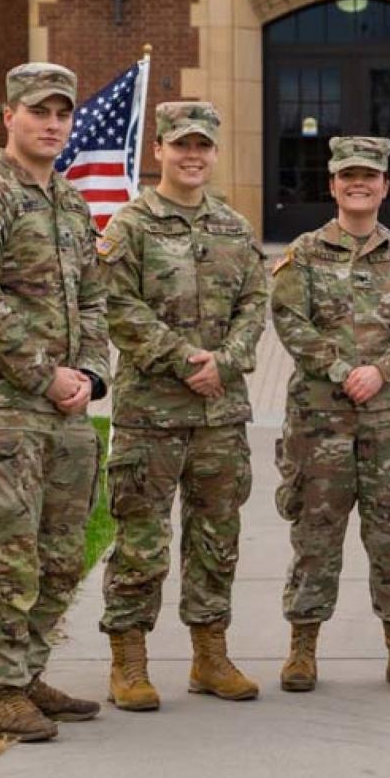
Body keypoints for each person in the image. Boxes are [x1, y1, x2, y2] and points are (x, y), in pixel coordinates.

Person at [0, 62, 110, 743]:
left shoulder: (71, 203)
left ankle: (30, 668)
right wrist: (47, 376)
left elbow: (93, 298)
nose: (51, 124)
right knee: (13, 549)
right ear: (7, 115)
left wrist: (91, 375)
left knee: (63, 550)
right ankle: (2, 689)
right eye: (38, 111)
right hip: (1, 402)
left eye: (61, 113)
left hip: (65, 404)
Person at [97, 101, 268, 710]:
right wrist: (183, 359)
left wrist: (223, 362)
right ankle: (129, 662)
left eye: (202, 146)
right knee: (142, 539)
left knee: (217, 536)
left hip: (220, 412)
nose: (192, 156)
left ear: (215, 153)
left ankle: (210, 657)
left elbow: (256, 303)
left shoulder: (233, 227)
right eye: (180, 145)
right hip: (152, 413)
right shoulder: (130, 226)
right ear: (159, 151)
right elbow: (117, 306)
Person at [270, 136, 390, 693]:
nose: (358, 184)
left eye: (369, 175)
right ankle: (302, 648)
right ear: (333, 185)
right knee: (315, 535)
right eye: (348, 176)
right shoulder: (304, 254)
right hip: (320, 421)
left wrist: (384, 370)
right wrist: (344, 370)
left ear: (385, 185)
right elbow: (291, 322)